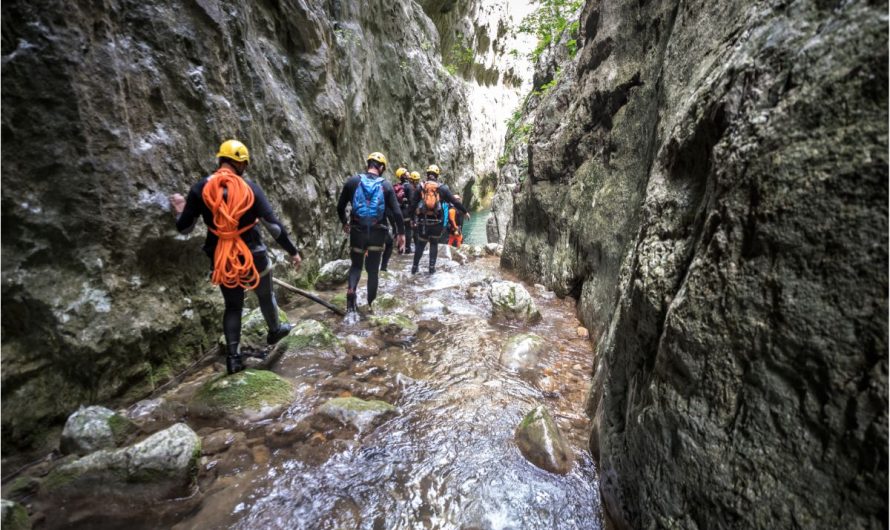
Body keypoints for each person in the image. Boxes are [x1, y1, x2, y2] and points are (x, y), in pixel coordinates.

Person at [170, 140, 302, 375]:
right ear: (240, 164)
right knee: (265, 295)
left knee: (233, 307)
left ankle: (233, 358)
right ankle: (275, 330)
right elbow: (274, 227)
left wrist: (180, 208)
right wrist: (293, 251)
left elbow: (185, 228)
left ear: (220, 159)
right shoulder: (248, 187)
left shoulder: (201, 189)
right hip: (253, 255)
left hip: (223, 258)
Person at [337, 152, 406, 313]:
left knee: (355, 266)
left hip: (357, 231)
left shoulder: (353, 181)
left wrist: (344, 222)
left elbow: (340, 207)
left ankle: (351, 294)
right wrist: (401, 234)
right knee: (373, 271)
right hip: (377, 233)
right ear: (381, 167)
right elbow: (397, 213)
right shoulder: (386, 185)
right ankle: (371, 306)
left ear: (368, 164)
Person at [410, 164, 469, 274]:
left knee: (421, 244)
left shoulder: (421, 187)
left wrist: (412, 220)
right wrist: (465, 211)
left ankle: (414, 267)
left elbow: (413, 205)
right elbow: (454, 201)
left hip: (423, 222)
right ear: (437, 175)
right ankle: (431, 269)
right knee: (433, 244)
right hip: (437, 222)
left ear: (427, 174)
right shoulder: (442, 188)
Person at [393, 168, 416, 254]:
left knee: (400, 229)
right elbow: (411, 202)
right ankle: (407, 248)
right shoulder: (409, 186)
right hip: (406, 211)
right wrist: (413, 217)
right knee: (408, 229)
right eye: (406, 173)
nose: (408, 173)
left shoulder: (396, 186)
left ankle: (399, 247)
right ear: (404, 175)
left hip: (398, 211)